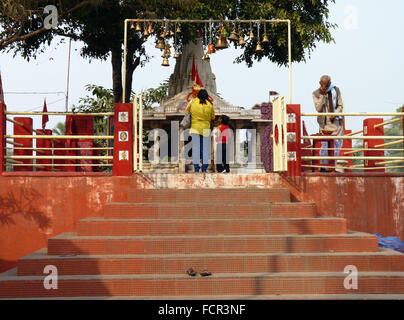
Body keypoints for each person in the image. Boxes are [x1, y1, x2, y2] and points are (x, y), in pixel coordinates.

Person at [312, 75, 344, 171]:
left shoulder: (336, 90)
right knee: (325, 145)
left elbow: (340, 105)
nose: (325, 87)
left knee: (337, 144)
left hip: (336, 123)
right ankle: (324, 167)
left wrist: (335, 113)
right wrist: (322, 95)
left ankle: (333, 167)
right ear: (320, 83)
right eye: (323, 85)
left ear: (329, 83)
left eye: (326, 85)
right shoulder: (316, 93)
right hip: (324, 124)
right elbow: (318, 108)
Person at [184, 89, 215, 173]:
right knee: (204, 148)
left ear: (197, 95)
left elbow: (186, 112)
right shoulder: (210, 104)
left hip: (195, 127)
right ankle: (204, 168)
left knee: (196, 148)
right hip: (205, 128)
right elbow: (213, 117)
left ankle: (196, 168)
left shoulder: (192, 102)